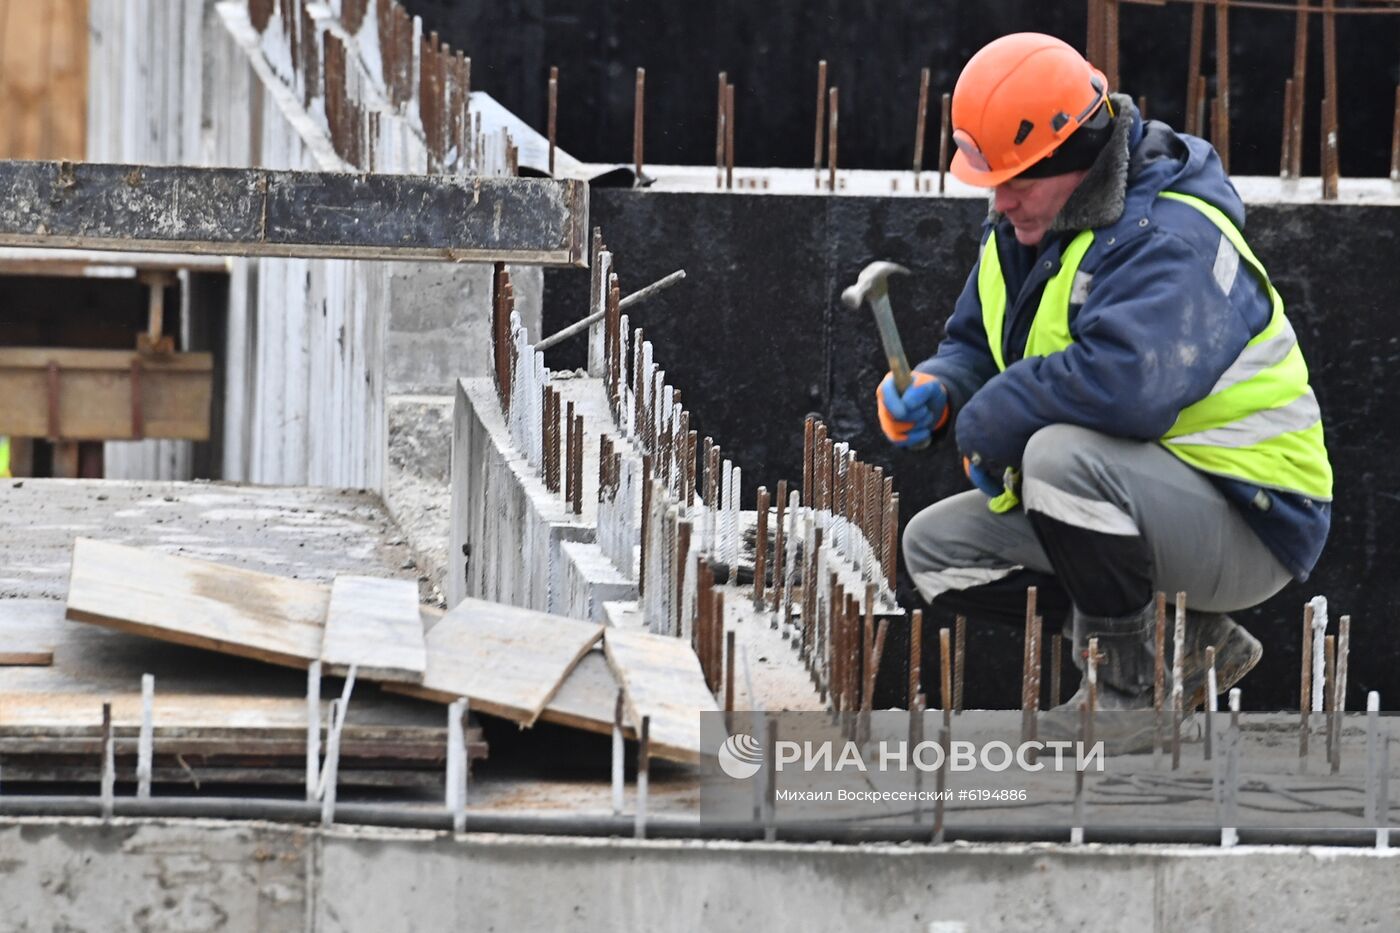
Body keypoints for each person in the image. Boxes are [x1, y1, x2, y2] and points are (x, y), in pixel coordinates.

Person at [877, 33, 1331, 742]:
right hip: (1145, 499)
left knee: (1059, 458)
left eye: (1016, 180)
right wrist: (942, 389)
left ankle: (1130, 694)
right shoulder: (1029, 225)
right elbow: (974, 341)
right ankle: (1185, 644)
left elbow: (1127, 386)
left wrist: (991, 416)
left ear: (1075, 160)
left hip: (1252, 514)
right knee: (936, 551)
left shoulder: (1168, 235)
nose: (1000, 202)